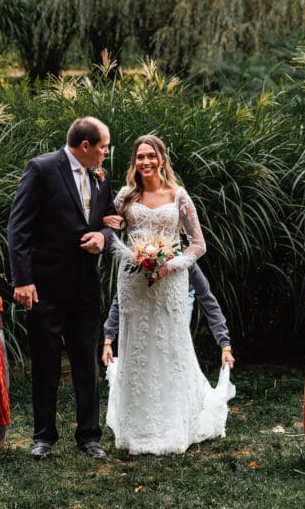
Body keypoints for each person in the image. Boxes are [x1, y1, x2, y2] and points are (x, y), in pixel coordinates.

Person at [100, 134, 235, 455]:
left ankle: (175, 423)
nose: (145, 162)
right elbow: (107, 229)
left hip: (170, 281)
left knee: (169, 348)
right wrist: (121, 244)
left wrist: (168, 264)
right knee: (137, 348)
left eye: (151, 156)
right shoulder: (124, 197)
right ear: (134, 162)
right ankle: (135, 427)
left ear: (161, 158)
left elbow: (198, 245)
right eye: (139, 157)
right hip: (133, 280)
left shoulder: (179, 197)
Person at [7, 116, 116, 460]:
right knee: (45, 363)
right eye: (103, 146)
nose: (106, 153)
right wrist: (23, 280)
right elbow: (18, 228)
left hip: (85, 287)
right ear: (85, 146)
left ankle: (90, 437)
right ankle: (44, 437)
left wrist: (104, 237)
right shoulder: (41, 169)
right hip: (45, 287)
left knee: (87, 363)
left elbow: (111, 222)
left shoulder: (101, 176)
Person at [102, 262, 235, 363]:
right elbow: (121, 298)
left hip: (179, 300)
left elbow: (208, 301)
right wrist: (108, 339)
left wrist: (225, 345)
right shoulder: (139, 260)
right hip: (146, 301)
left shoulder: (187, 262)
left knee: (174, 348)